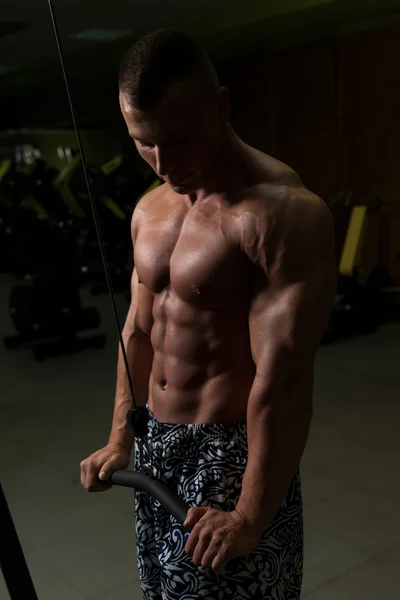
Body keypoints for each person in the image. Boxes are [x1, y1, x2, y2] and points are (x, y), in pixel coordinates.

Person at [80, 29, 337, 600]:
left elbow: (284, 382)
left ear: (220, 105)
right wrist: (122, 438)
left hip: (229, 457)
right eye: (143, 143)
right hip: (157, 444)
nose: (163, 164)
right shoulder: (150, 210)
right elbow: (138, 330)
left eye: (178, 138)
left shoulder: (281, 215)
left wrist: (249, 515)